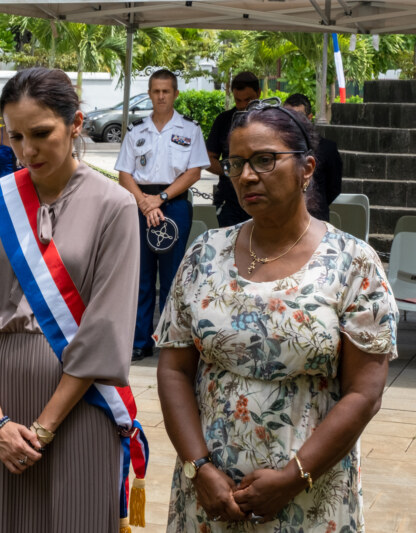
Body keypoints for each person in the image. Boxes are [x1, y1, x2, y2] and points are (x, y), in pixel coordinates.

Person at [155, 97, 398, 531]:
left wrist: (292, 478)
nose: (247, 175)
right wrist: (199, 468)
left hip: (310, 493)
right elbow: (174, 369)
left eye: (265, 160)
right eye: (236, 163)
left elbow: (365, 394)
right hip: (210, 495)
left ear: (307, 168)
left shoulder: (352, 262)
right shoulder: (204, 253)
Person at [0, 67, 141, 532]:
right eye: (14, 137)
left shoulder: (114, 206)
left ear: (75, 124)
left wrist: (41, 429)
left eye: (41, 133)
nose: (27, 150)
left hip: (78, 408)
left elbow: (104, 329)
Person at [114, 69, 210, 361]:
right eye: (155, 91)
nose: (160, 97)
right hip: (140, 202)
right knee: (141, 276)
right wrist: (145, 203)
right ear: (150, 93)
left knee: (172, 276)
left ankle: (170, 339)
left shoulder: (189, 130)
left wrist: (161, 198)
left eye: (166, 91)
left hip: (174, 203)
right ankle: (140, 341)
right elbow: (124, 173)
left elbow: (194, 171)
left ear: (176, 94)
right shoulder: (137, 131)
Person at [206, 71, 260, 227]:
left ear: (258, 93)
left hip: (264, 197)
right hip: (230, 199)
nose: (243, 105)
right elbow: (208, 159)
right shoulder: (223, 120)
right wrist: (232, 171)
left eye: (248, 100)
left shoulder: (272, 120)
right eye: (238, 100)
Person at [284, 93, 343, 221]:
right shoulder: (277, 148)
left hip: (317, 215)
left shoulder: (327, 148)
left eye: (299, 117)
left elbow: (334, 189)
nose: (293, 122)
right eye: (288, 117)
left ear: (309, 118)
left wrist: (316, 200)